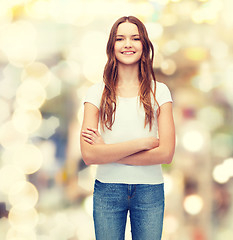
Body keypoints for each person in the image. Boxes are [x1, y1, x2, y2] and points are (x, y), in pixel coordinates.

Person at [80, 16, 175, 240]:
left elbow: (166, 154)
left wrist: (108, 152)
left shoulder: (160, 92)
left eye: (135, 38)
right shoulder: (95, 93)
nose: (128, 44)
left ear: (145, 45)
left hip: (149, 190)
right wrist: (141, 143)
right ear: (112, 46)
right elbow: (89, 154)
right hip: (108, 190)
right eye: (120, 38)